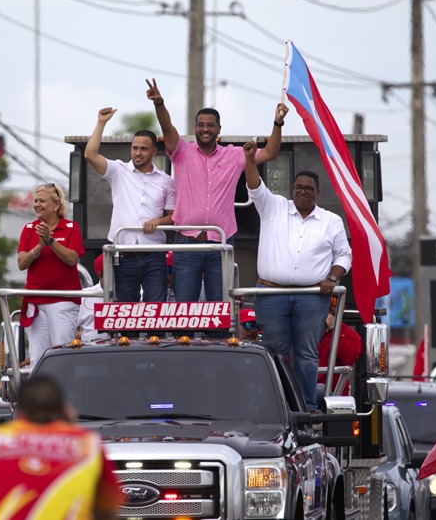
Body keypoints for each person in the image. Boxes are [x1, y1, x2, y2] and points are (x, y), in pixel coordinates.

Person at [146, 78, 284, 302]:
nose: (205, 129)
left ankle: (217, 338)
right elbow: (167, 128)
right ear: (195, 128)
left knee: (220, 308)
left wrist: (277, 124)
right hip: (187, 242)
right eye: (200, 124)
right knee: (185, 309)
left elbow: (271, 152)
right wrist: (159, 103)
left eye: (210, 125)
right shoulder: (181, 151)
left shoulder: (234, 154)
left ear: (219, 129)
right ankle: (185, 339)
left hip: (221, 242)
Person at [244, 142, 352, 410]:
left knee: (306, 354)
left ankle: (306, 408)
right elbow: (255, 186)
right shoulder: (274, 207)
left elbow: (344, 256)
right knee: (275, 353)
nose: (303, 192)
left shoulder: (331, 220)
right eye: (298, 188)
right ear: (292, 191)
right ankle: (277, 408)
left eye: (308, 188)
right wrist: (249, 158)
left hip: (311, 297)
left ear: (317, 193)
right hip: (271, 294)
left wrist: (333, 278)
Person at [0, 375, 122, 520]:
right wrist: (71, 425)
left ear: (21, 410)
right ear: (63, 408)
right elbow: (106, 510)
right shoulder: (86, 443)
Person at [84, 107, 176, 302]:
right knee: (126, 312)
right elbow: (90, 155)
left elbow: (174, 217)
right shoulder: (119, 170)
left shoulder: (166, 180)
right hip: (123, 254)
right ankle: (129, 335)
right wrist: (101, 122)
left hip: (154, 255)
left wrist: (158, 221)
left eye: (143, 148)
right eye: (135, 148)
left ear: (153, 151)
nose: (138, 153)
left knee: (156, 310)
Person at [17, 183, 85, 367]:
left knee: (62, 355)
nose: (37, 204)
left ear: (56, 205)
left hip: (62, 300)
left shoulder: (71, 227)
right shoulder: (29, 228)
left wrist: (50, 241)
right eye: (36, 200)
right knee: (38, 358)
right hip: (36, 300)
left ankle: (64, 395)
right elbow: (21, 263)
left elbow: (72, 259)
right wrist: (40, 246)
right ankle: (39, 396)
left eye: (42, 201)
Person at [317, 307, 363, 399]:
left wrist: (334, 329)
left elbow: (349, 358)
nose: (328, 305)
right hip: (303, 390)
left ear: (342, 307)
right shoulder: (303, 332)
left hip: (333, 395)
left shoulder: (350, 335)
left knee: (319, 390)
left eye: (334, 300)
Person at [77, 254, 109, 342]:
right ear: (100, 275)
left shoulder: (133, 294)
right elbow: (70, 327)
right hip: (92, 351)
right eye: (112, 272)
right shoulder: (85, 295)